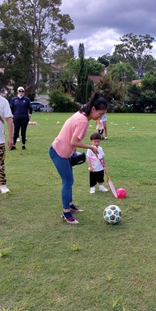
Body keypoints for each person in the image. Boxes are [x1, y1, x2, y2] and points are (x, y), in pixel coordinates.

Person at [49, 92, 108, 224]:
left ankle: (70, 205)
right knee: (68, 182)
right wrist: (90, 147)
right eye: (100, 113)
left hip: (64, 152)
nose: (101, 117)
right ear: (93, 109)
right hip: (59, 153)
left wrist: (74, 153)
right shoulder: (83, 121)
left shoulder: (81, 114)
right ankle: (66, 213)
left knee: (70, 181)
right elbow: (73, 141)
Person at [0, 92, 14, 193]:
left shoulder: (3, 102)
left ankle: (2, 184)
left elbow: (9, 120)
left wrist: (11, 137)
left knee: (0, 162)